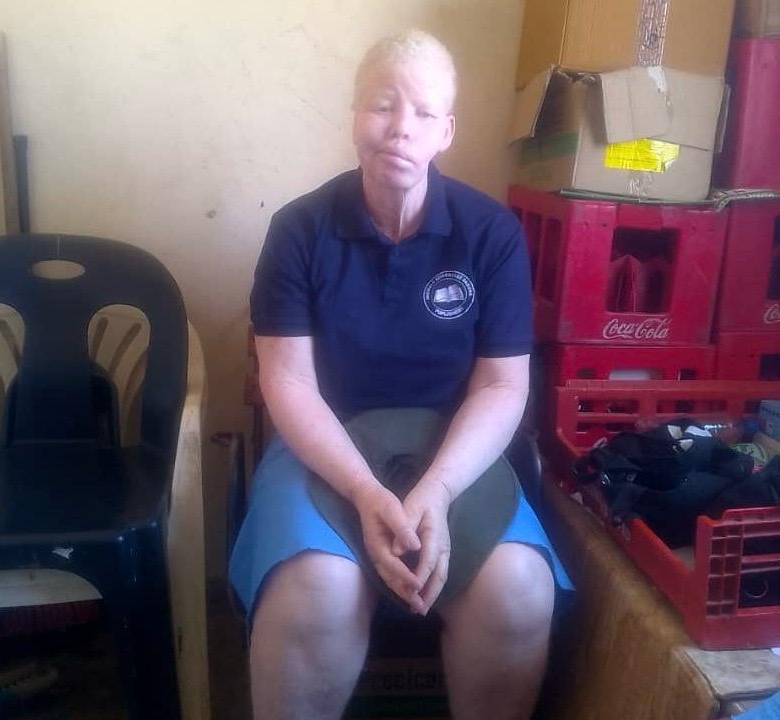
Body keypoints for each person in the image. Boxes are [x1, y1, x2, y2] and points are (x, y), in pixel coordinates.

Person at [229, 29, 573, 720]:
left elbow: (502, 384)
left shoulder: (490, 234)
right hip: (326, 443)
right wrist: (363, 489)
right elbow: (287, 380)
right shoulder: (298, 230)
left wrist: (438, 489)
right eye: (382, 105)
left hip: (453, 447)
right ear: (355, 116)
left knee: (519, 591)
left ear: (447, 131)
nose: (400, 128)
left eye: (423, 112)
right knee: (316, 589)